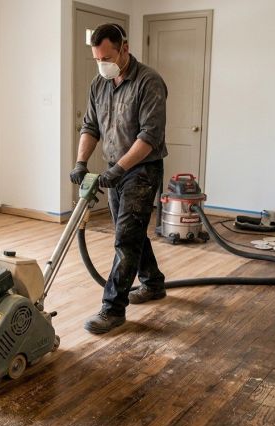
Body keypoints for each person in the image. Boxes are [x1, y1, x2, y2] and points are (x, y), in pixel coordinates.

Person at [70, 23, 168, 334]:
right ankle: (153, 283)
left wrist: (120, 169)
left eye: (107, 58)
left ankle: (112, 310)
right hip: (115, 170)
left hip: (142, 170)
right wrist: (81, 162)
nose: (103, 65)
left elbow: (149, 137)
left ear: (124, 48)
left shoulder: (149, 82)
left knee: (126, 237)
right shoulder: (99, 84)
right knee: (131, 232)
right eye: (97, 59)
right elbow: (90, 126)